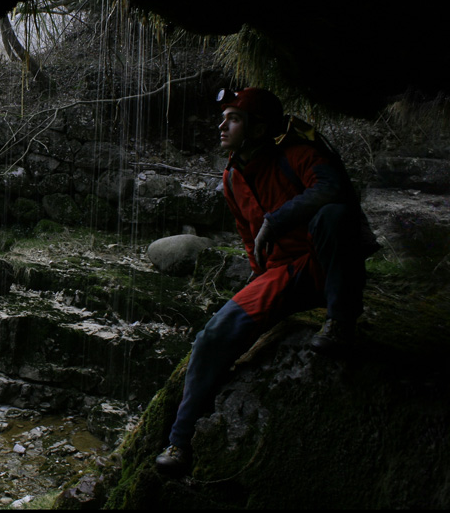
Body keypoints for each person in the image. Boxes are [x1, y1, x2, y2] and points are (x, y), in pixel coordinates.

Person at [155, 87, 375, 476]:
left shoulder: (300, 155)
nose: (222, 125)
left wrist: (277, 220)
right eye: (224, 117)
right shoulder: (233, 177)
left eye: (234, 118)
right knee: (213, 335)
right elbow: (247, 234)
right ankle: (179, 440)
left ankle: (341, 320)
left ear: (258, 129)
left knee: (333, 215)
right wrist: (255, 289)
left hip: (325, 262)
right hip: (280, 274)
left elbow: (333, 189)